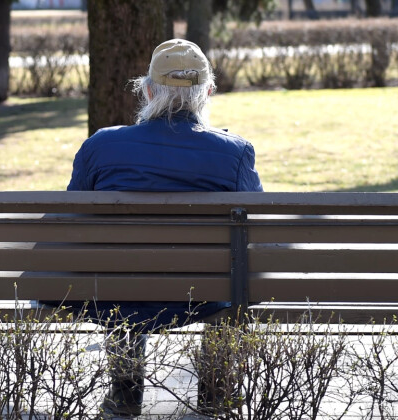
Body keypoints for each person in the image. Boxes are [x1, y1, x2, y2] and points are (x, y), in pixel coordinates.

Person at [67, 38, 262, 417]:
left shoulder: (101, 146)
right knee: (233, 277)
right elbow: (254, 231)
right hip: (206, 293)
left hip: (118, 289)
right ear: (207, 92)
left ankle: (125, 394)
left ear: (149, 89)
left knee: (120, 271)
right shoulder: (234, 152)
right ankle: (214, 396)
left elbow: (71, 223)